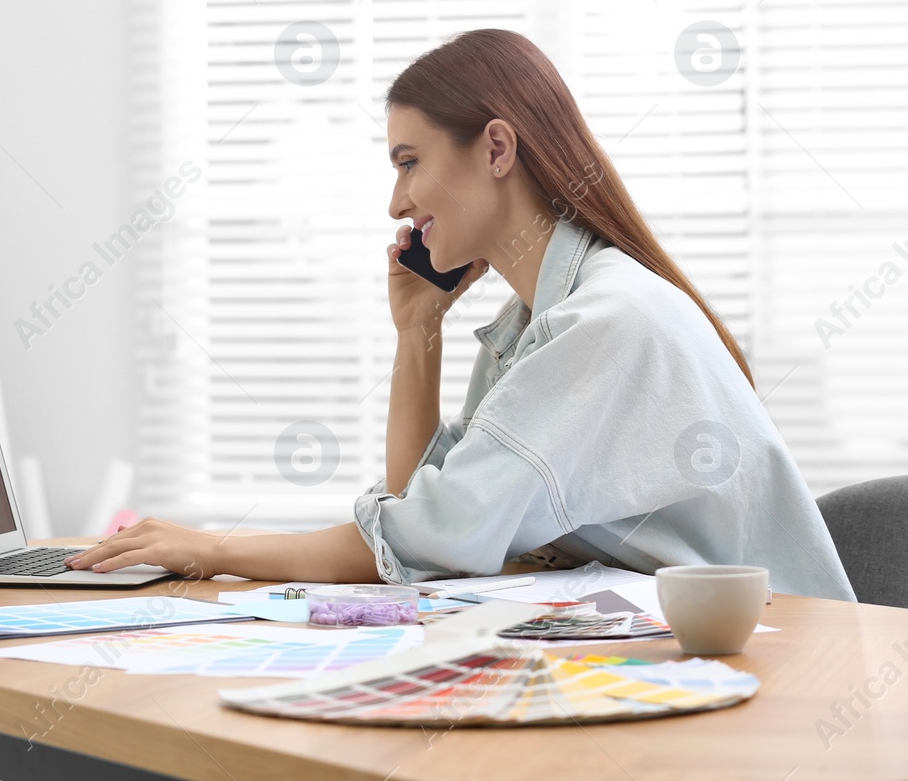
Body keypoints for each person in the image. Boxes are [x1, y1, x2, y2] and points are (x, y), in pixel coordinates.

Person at [67, 29, 855, 601]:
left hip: (782, 668)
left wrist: (207, 547)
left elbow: (431, 540)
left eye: (409, 162)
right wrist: (419, 333)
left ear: (497, 148)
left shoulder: (604, 324)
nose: (396, 202)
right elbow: (429, 527)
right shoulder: (535, 324)